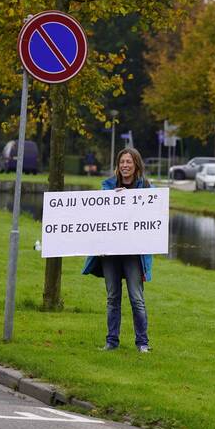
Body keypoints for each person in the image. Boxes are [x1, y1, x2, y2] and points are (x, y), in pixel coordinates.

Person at [82, 147, 153, 352]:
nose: (125, 166)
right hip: (110, 253)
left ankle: (143, 343)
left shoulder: (147, 189)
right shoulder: (107, 188)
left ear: (136, 164)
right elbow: (98, 218)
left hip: (133, 253)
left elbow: (154, 215)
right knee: (113, 298)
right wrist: (112, 197)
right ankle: (111, 342)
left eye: (129, 162)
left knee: (136, 298)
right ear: (117, 165)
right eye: (122, 162)